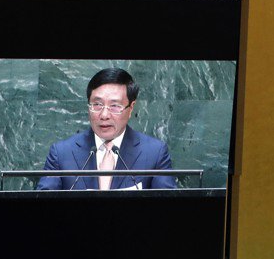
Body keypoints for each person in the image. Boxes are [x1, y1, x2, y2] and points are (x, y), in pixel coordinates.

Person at [38, 68, 176, 191]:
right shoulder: (61, 153)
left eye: (115, 106)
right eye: (97, 104)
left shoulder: (155, 153)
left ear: (131, 108)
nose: (104, 115)